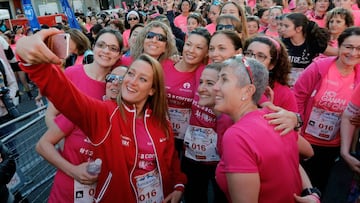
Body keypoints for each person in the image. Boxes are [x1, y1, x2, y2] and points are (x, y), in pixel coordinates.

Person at [16, 29, 187, 202]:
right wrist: (31, 60)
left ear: (152, 90)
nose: (132, 82)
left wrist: (178, 185)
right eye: (131, 74)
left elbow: (170, 162)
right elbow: (63, 94)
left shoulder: (161, 123)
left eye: (143, 79)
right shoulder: (105, 113)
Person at [213, 55, 316, 202]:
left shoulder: (237, 135)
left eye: (224, 79)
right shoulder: (274, 118)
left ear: (247, 91)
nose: (215, 86)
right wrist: (311, 192)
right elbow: (307, 152)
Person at [35, 66, 127, 202]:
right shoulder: (85, 109)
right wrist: (73, 170)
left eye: (122, 80)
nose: (115, 82)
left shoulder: (129, 121)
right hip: (65, 194)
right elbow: (42, 145)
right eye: (111, 78)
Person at [294, 26, 360, 197]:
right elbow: (298, 96)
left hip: (335, 145)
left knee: (323, 187)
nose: (353, 53)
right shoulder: (319, 68)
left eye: (359, 48)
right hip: (306, 141)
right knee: (301, 188)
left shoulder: (359, 76)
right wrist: (298, 128)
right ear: (339, 46)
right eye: (348, 47)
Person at [183, 63, 232, 203]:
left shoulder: (229, 121)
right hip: (192, 158)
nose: (201, 89)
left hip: (218, 167)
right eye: (200, 82)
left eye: (209, 83)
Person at [244, 36, 297, 112]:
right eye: (248, 53)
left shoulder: (284, 94)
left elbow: (291, 122)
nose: (252, 59)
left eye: (260, 56)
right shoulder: (231, 79)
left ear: (272, 65)